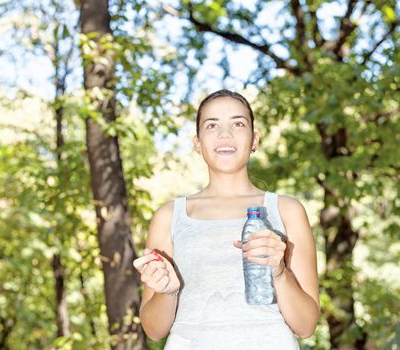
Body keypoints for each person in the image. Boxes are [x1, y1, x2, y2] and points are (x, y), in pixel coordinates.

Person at [132, 89, 319, 349]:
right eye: (212, 125)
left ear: (254, 139)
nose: (225, 134)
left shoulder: (287, 211)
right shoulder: (168, 217)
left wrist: (279, 273)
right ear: (197, 142)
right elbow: (154, 330)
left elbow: (306, 325)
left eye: (238, 123)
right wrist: (168, 291)